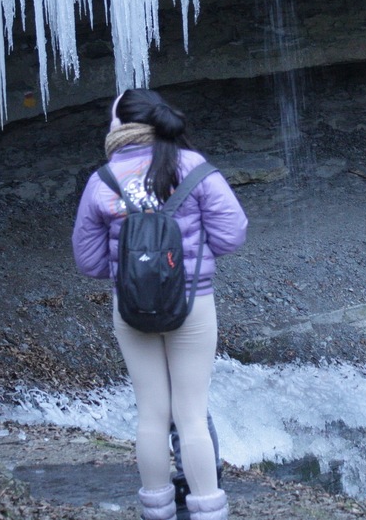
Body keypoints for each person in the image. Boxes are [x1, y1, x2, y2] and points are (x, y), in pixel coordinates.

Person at [72, 89, 248, 520]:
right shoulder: (194, 168)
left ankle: (157, 510)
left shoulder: (103, 180)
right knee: (191, 415)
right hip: (192, 303)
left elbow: (89, 261)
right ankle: (208, 511)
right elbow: (231, 235)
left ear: (119, 126)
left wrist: (134, 270)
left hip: (131, 310)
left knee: (151, 415)